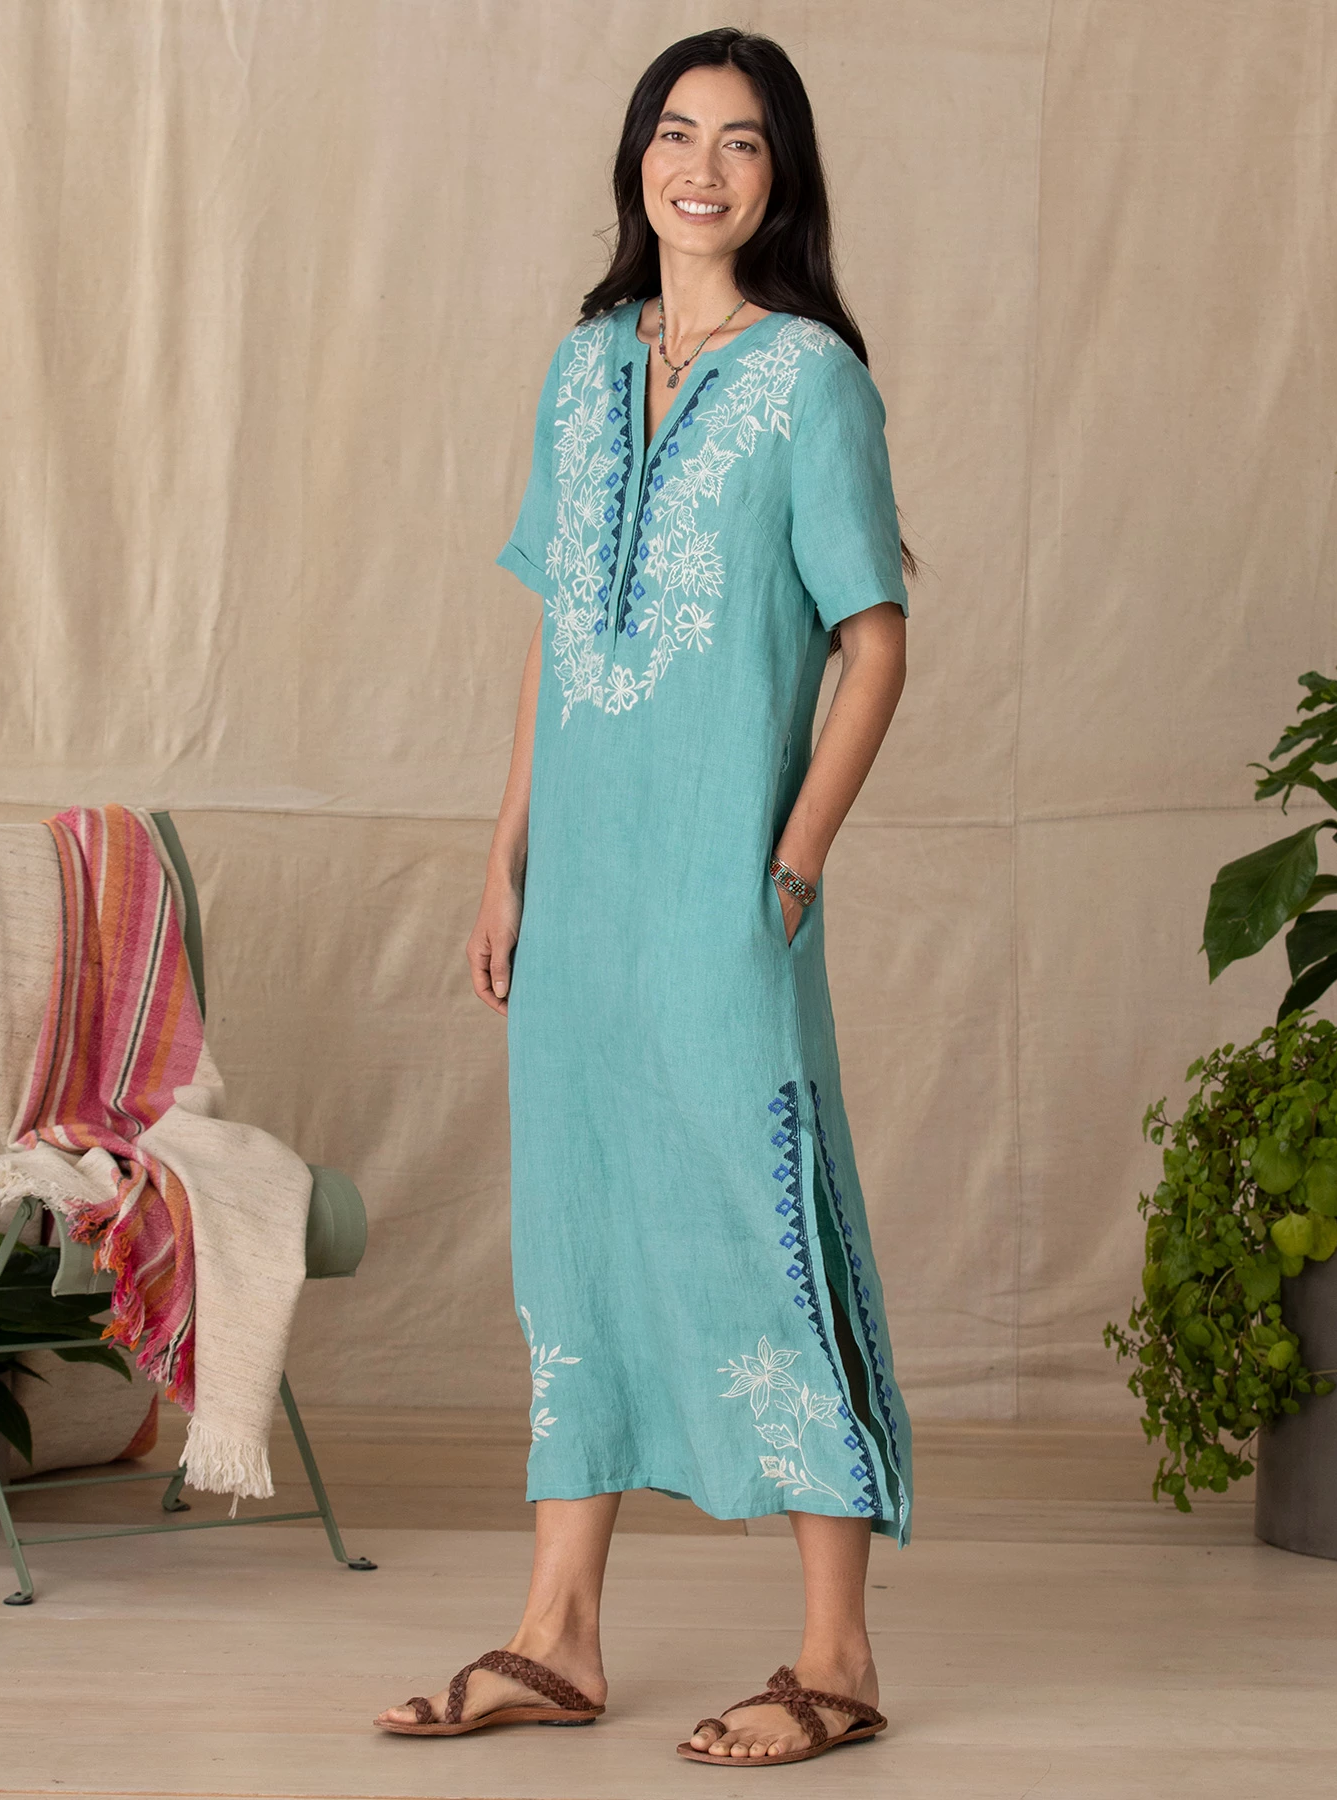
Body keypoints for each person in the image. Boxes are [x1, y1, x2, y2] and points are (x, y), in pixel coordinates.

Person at [376, 26, 916, 1767]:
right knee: (582, 1227)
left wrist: (794, 859)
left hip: (719, 893)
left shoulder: (812, 382)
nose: (701, 167)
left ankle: (836, 1655)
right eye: (675, 133)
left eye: (741, 142)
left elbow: (876, 641)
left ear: (780, 178)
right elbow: (556, 635)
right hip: (582, 900)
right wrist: (505, 860)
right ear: (636, 159)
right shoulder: (583, 368)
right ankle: (558, 1635)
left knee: (766, 1220)